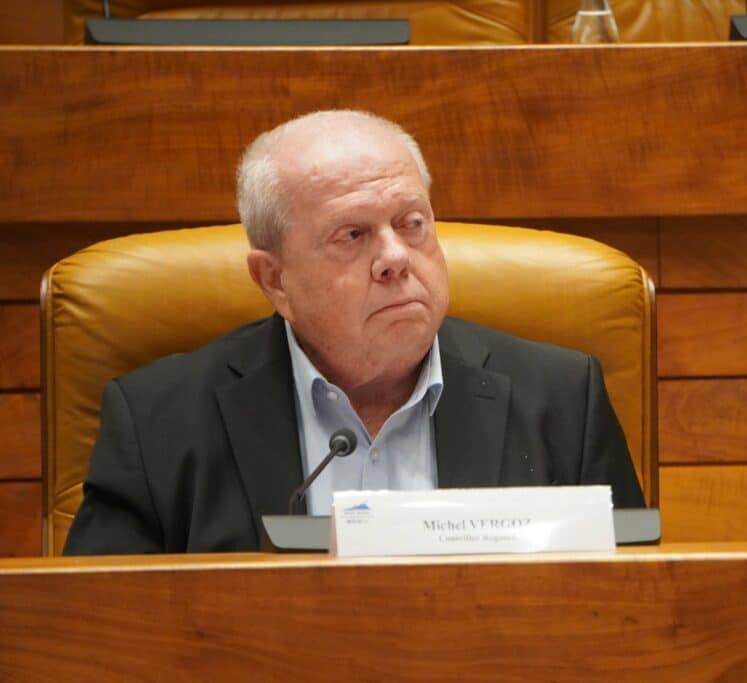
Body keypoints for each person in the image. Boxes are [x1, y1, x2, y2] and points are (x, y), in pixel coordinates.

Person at [63, 110, 645, 555]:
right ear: (275, 280)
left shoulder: (563, 399)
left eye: (412, 224)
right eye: (352, 235)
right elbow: (98, 631)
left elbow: (632, 611)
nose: (395, 257)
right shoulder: (159, 423)